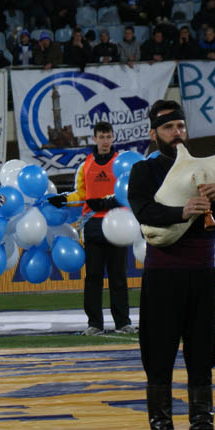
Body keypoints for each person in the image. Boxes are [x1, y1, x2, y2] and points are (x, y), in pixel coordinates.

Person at [128, 100, 215, 430]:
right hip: (162, 276)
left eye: (180, 126)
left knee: (202, 357)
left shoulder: (204, 167)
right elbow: (144, 211)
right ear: (153, 134)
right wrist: (181, 211)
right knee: (158, 358)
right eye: (168, 128)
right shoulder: (145, 170)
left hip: (202, 276)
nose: (177, 133)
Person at [49, 122, 135, 336]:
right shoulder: (85, 165)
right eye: (101, 137)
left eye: (108, 136)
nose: (105, 141)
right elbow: (79, 194)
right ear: (94, 139)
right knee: (93, 277)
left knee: (118, 276)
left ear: (113, 138)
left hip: (118, 224)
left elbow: (131, 191)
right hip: (93, 226)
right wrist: (63, 199)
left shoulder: (122, 163)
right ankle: (94, 324)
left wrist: (111, 202)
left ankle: (123, 322)